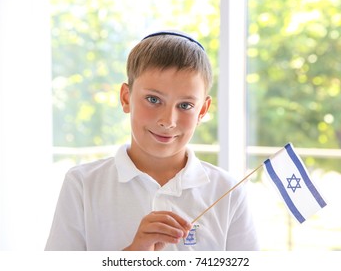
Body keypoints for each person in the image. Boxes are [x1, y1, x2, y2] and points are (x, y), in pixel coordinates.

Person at [45, 31, 259, 251]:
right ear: (126, 98)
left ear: (202, 110)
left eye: (185, 105)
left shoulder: (228, 191)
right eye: (153, 100)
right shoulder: (83, 184)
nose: (168, 121)